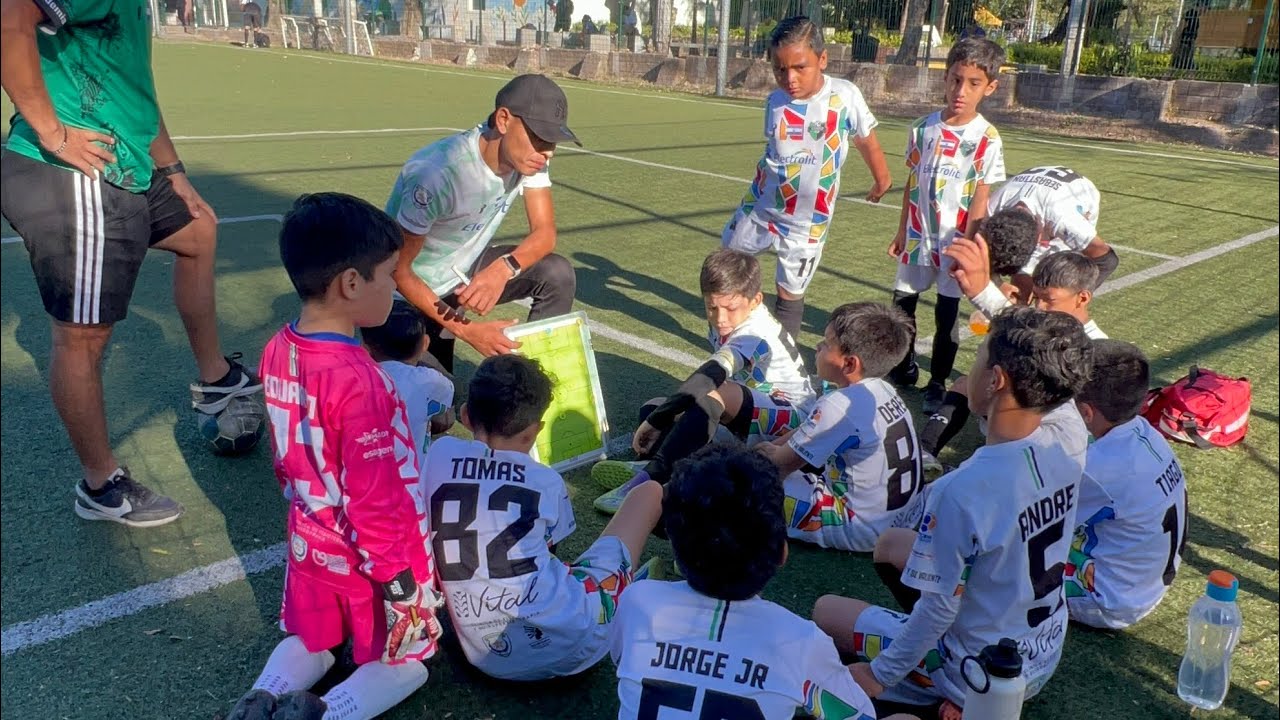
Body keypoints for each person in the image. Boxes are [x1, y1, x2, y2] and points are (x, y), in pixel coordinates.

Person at [1, 0, 261, 527]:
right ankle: (101, 485)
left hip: (129, 164)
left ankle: (215, 379)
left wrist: (176, 171)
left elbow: (135, 89)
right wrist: (54, 133)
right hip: (74, 173)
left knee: (198, 232)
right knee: (82, 337)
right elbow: (10, 18)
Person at [811, 307, 1093, 719]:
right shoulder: (1069, 438)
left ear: (996, 380)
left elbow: (939, 608)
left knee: (825, 679)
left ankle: (941, 699)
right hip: (1038, 655)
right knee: (867, 571)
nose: (970, 369)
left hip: (973, 671)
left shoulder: (962, 490)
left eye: (979, 357)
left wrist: (879, 675)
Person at [229, 193, 444, 720]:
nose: (396, 287)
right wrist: (401, 585)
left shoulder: (278, 346)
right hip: (365, 558)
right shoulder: (360, 382)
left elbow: (284, 455)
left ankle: (260, 699)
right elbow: (375, 499)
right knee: (411, 661)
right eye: (389, 275)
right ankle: (328, 712)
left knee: (314, 639)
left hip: (309, 536)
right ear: (351, 283)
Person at [609, 444, 916, 720]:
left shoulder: (636, 601)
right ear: (782, 552)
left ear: (674, 544)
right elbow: (857, 715)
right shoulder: (802, 641)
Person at [423, 354, 665, 681]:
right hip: (575, 642)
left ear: (466, 415)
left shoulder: (437, 456)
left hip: (483, 655)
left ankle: (623, 583)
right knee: (648, 494)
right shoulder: (545, 480)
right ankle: (631, 588)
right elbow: (552, 551)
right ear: (535, 431)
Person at [590, 249, 814, 514]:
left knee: (708, 395)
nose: (720, 319)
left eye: (730, 308)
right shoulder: (731, 319)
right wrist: (659, 415)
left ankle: (650, 478)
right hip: (751, 416)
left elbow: (709, 377)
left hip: (795, 423)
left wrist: (658, 419)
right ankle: (683, 466)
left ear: (755, 301)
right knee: (655, 408)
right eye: (711, 307)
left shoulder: (754, 332)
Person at [386, 74, 580, 374]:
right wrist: (468, 330)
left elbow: (545, 234)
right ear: (504, 120)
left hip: (461, 273)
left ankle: (529, 382)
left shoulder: (532, 159)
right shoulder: (436, 174)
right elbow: (398, 269)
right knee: (438, 413)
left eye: (552, 141)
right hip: (406, 295)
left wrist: (503, 269)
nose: (549, 151)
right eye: (540, 138)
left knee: (556, 273)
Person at [723, 16, 893, 342]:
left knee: (789, 291)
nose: (790, 78)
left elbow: (866, 140)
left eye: (800, 67)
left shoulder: (844, 97)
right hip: (762, 205)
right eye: (780, 70)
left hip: (808, 220)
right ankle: (736, 331)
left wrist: (882, 179)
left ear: (822, 60)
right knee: (730, 262)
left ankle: (780, 358)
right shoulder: (774, 102)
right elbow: (773, 150)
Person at [887, 37, 1007, 415]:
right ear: (946, 77)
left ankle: (937, 382)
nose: (961, 90)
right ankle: (903, 364)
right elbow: (912, 183)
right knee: (902, 305)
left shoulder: (986, 138)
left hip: (954, 242)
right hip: (917, 237)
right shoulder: (922, 129)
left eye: (973, 83)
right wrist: (901, 229)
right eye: (956, 79)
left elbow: (980, 199)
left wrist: (971, 245)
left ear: (990, 87)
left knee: (947, 316)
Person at [755, 302, 925, 553]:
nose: (818, 347)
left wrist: (764, 452)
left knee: (742, 484)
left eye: (826, 343)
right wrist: (777, 446)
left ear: (849, 364)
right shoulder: (884, 389)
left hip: (860, 527)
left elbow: (777, 467)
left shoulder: (839, 405)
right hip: (903, 518)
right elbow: (809, 434)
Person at [919, 246, 1107, 463]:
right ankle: (925, 452)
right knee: (965, 384)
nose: (1040, 306)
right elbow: (1007, 315)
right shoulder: (1039, 326)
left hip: (1047, 435)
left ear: (1082, 298)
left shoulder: (1099, 349)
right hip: (1021, 418)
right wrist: (981, 287)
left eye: (1049, 299)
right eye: (1036, 297)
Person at [1066, 339, 1188, 629]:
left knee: (1006, 556)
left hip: (1105, 601)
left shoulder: (1098, 469)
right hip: (1142, 588)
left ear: (1086, 412)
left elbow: (1025, 519)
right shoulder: (1147, 433)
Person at [985, 165, 1117, 297]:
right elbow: (977, 248)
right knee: (1023, 276)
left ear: (1039, 239)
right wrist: (998, 284)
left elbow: (1106, 259)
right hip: (1037, 191)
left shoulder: (1066, 220)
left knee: (1060, 276)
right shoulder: (992, 207)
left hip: (1081, 195)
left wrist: (1072, 298)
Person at [361, 299, 456, 458]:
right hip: (413, 475)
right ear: (425, 344)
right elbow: (445, 414)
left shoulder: (352, 378)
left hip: (364, 471)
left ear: (365, 347)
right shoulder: (431, 380)